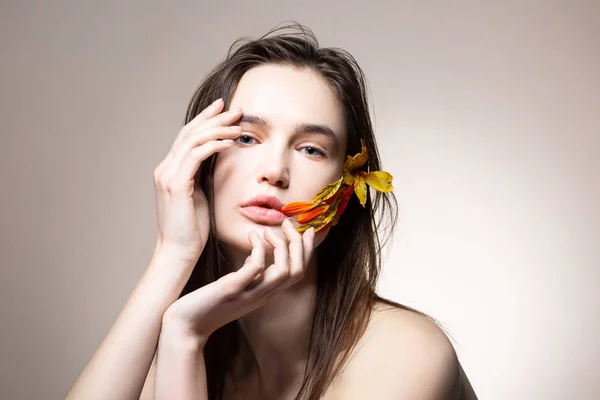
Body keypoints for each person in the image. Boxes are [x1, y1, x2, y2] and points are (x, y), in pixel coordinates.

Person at [65, 22, 478, 400]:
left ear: (347, 191)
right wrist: (172, 254)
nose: (275, 172)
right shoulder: (193, 339)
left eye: (311, 149)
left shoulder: (405, 353)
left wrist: (185, 338)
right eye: (246, 139)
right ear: (200, 162)